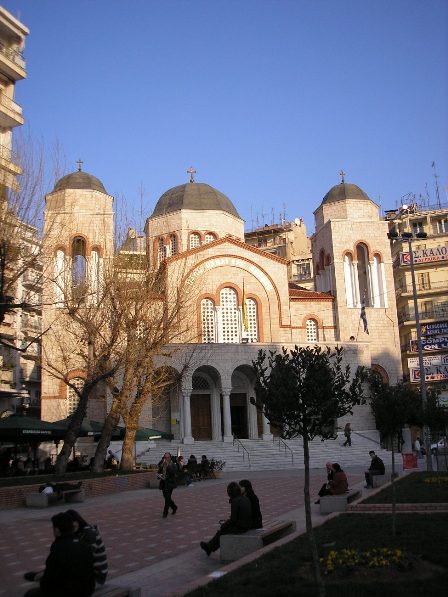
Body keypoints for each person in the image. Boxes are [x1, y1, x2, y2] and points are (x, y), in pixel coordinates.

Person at [23, 512, 95, 597]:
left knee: (30, 594)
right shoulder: (83, 543)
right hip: (88, 590)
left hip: (68, 592)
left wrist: (43, 581)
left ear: (57, 530)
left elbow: (49, 579)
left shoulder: (59, 547)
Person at [200, 481, 252, 556]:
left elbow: (233, 520)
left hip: (242, 527)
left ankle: (209, 548)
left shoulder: (235, 501)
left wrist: (225, 524)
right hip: (247, 524)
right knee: (223, 530)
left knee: (222, 531)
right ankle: (210, 547)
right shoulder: (245, 498)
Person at [65, 509, 108, 586]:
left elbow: (84, 557)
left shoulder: (90, 534)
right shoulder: (76, 534)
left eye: (73, 522)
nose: (71, 525)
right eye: (68, 524)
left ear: (78, 520)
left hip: (96, 578)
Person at [158, 452, 178, 517]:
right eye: (165, 457)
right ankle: (174, 507)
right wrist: (159, 475)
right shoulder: (162, 464)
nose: (166, 459)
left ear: (170, 457)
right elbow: (159, 472)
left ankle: (165, 513)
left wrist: (168, 465)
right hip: (163, 483)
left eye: (167, 457)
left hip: (170, 483)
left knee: (167, 499)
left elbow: (173, 472)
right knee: (166, 497)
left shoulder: (173, 464)